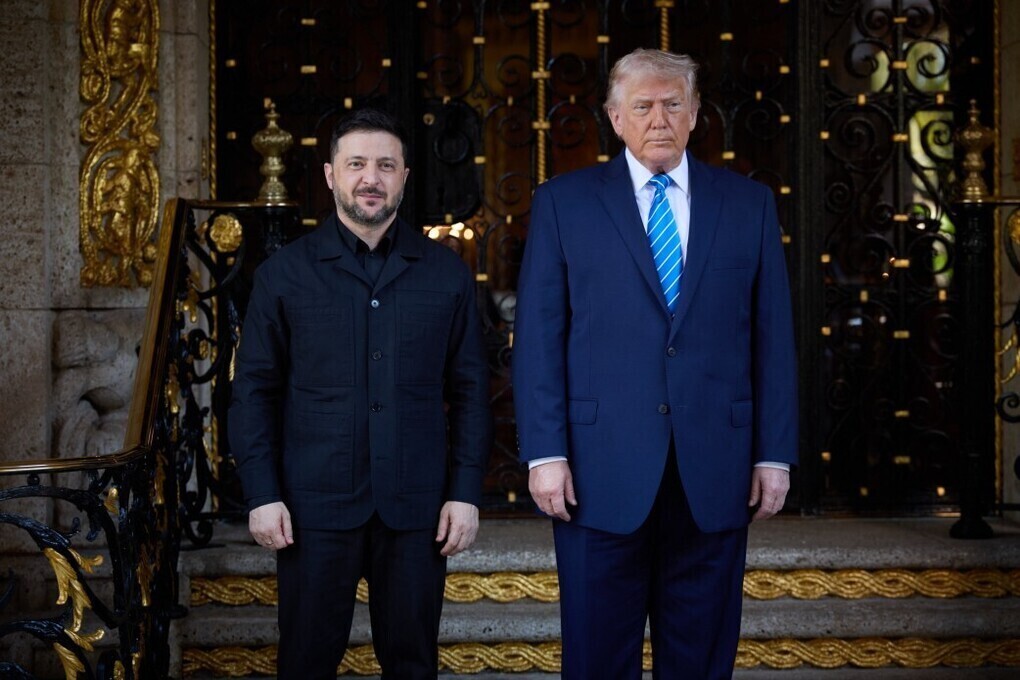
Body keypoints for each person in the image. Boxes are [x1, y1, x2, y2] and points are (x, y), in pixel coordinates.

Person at [512, 48, 798, 679]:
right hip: (596, 472)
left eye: (673, 104)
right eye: (642, 106)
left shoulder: (748, 204)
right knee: (597, 658)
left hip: (715, 469)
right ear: (616, 118)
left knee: (700, 659)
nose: (659, 118)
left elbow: (772, 338)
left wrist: (773, 454)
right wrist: (544, 453)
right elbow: (539, 337)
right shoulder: (563, 203)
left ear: (695, 115)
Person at [229, 107, 492, 679]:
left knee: (413, 665)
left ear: (404, 177)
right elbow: (254, 392)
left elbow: (471, 390)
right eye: (356, 165)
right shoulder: (283, 275)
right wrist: (261, 492)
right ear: (331, 175)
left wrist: (465, 491)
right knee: (305, 664)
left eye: (385, 165)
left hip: (418, 509)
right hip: (312, 509)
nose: (371, 178)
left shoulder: (446, 275)